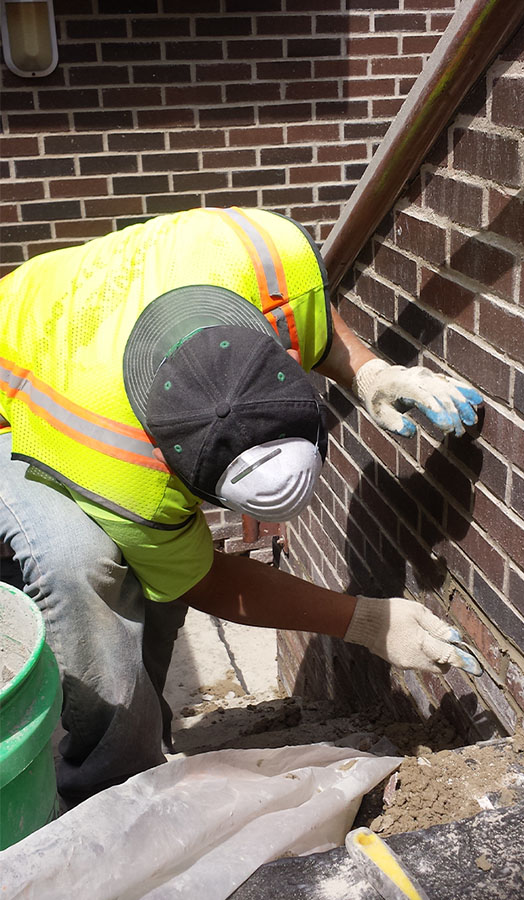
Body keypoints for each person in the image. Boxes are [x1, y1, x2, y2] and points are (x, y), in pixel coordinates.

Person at [0, 206, 483, 806]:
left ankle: (141, 738)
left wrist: (369, 372)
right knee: (82, 564)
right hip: (17, 399)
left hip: (88, 317)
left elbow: (313, 323)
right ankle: (110, 792)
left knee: (157, 583)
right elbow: (203, 580)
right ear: (169, 457)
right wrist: (366, 622)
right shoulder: (114, 458)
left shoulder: (266, 259)